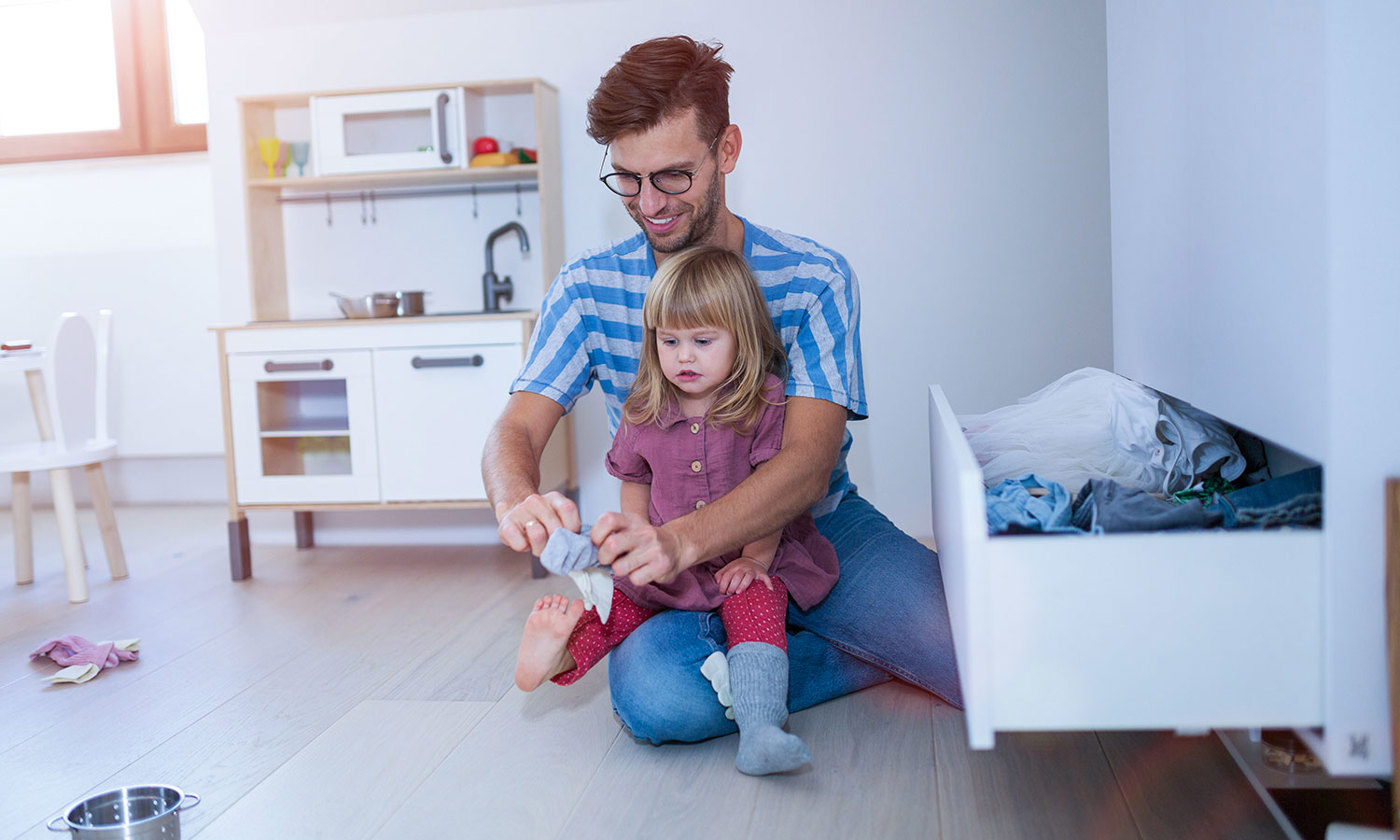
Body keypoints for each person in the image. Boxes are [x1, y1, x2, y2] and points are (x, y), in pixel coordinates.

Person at [482, 34, 962, 745]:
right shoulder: (586, 289)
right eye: (627, 179)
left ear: (727, 149)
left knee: (967, 650)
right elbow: (515, 430)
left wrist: (683, 539)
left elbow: (806, 460)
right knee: (658, 703)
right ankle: (820, 651)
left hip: (817, 528)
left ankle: (780, 648)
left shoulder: (814, 277)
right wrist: (517, 499)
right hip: (669, 566)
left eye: (673, 176)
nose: (648, 203)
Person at [514, 245, 838, 775]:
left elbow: (773, 494)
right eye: (670, 341)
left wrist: (756, 560)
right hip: (672, 563)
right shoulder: (644, 409)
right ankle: (556, 653)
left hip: (742, 558)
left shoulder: (765, 403)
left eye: (703, 341)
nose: (684, 356)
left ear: (743, 338)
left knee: (756, 607)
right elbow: (634, 484)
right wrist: (636, 545)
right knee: (619, 607)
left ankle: (761, 731)